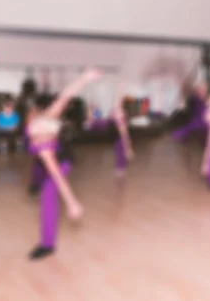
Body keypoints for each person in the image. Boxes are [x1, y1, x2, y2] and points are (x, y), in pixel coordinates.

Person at [25, 68, 102, 260]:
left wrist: (71, 203)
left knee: (48, 195)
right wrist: (85, 78)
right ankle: (35, 183)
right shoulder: (47, 117)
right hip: (48, 158)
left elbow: (57, 175)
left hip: (62, 162)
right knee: (38, 169)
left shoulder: (43, 144)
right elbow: (66, 94)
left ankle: (47, 244)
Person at [112, 97, 135, 177]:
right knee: (122, 158)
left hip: (120, 138)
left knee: (122, 159)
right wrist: (128, 148)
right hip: (120, 138)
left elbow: (125, 132)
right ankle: (120, 172)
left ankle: (120, 172)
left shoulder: (120, 114)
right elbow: (123, 133)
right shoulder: (119, 116)